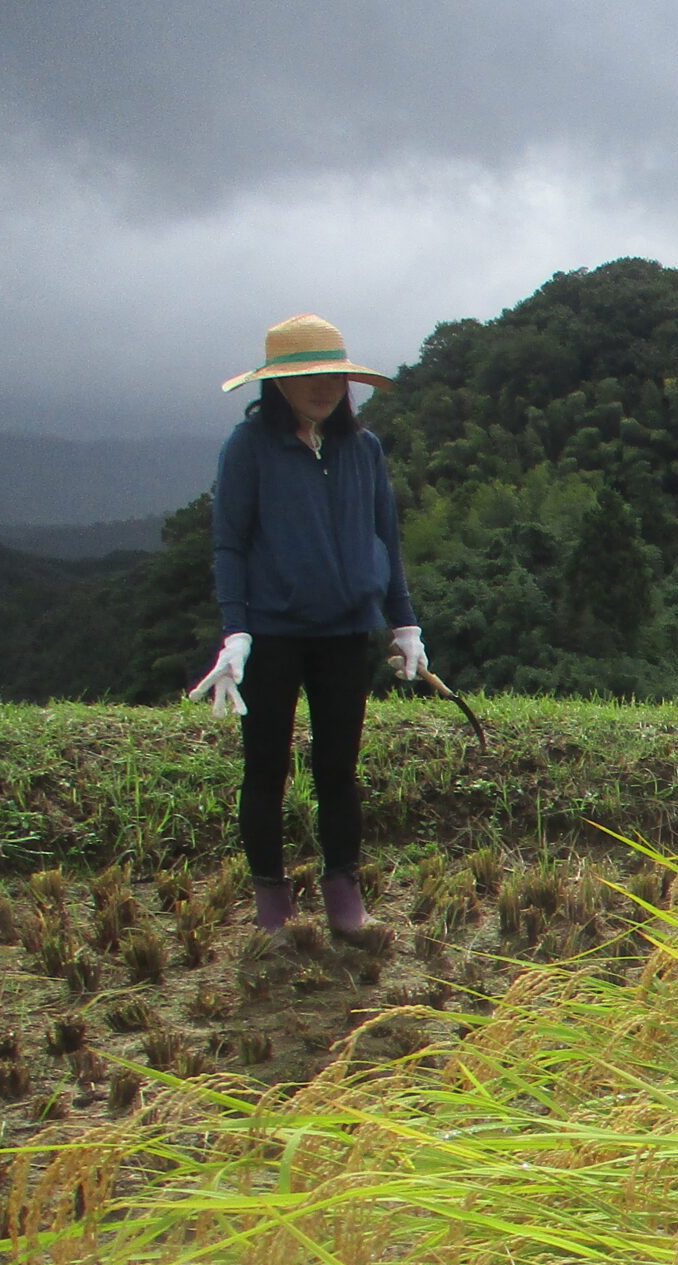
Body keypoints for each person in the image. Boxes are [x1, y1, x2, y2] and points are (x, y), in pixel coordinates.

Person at [190, 314, 426, 939]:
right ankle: (273, 906)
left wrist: (403, 623)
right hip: (272, 632)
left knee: (338, 768)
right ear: (278, 384)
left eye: (334, 377)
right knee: (266, 768)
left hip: (347, 632)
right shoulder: (249, 448)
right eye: (308, 376)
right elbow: (229, 544)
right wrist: (236, 630)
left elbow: (385, 537)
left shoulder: (363, 450)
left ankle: (344, 896)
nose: (324, 387)